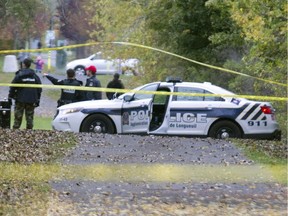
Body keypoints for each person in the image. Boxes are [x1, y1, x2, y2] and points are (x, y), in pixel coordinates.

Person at [8, 58, 42, 129]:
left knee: (17, 118)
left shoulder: (19, 75)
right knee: (30, 118)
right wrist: (38, 99)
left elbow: (12, 87)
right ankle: (29, 134)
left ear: (23, 64)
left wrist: (10, 97)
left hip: (20, 99)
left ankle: (15, 133)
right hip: (31, 99)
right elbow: (39, 89)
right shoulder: (35, 76)